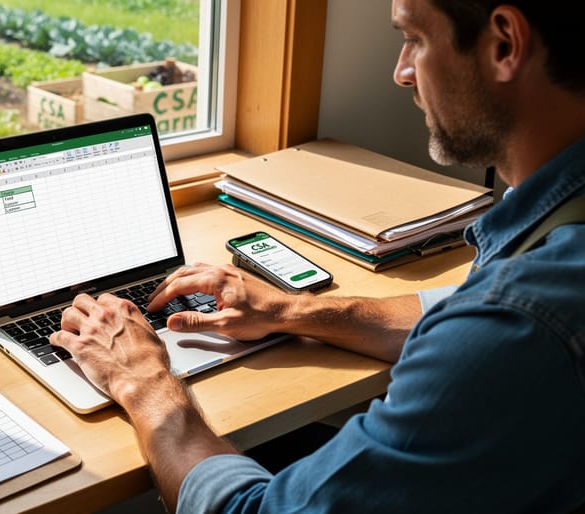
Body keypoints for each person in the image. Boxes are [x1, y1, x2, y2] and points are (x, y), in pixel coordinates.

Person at [50, 0, 585, 511]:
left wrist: (144, 384)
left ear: (504, 45)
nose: (401, 72)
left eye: (414, 39)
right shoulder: (549, 248)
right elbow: (455, 304)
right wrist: (294, 310)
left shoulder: (517, 321)